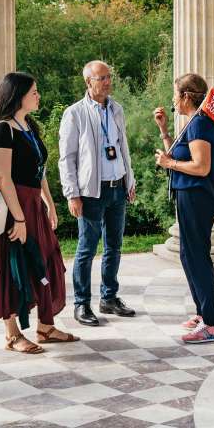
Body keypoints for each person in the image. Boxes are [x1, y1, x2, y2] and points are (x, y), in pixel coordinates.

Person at [0, 72, 78, 353]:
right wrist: (19, 218)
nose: (38, 95)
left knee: (45, 260)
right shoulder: (2, 129)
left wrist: (50, 203)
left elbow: (39, 170)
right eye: (34, 91)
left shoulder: (28, 125)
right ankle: (11, 334)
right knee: (12, 266)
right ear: (17, 94)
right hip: (12, 207)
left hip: (33, 204)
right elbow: (2, 177)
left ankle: (45, 326)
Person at [59, 61, 138, 327]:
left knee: (114, 246)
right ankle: (82, 303)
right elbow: (67, 158)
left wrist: (130, 180)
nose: (107, 82)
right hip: (91, 192)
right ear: (88, 82)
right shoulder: (75, 114)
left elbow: (122, 146)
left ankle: (109, 297)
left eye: (108, 77)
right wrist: (72, 194)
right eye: (101, 78)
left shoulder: (117, 109)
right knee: (86, 249)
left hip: (117, 187)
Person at [153, 73, 214, 344]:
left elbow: (201, 167)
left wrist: (169, 165)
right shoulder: (194, 123)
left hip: (197, 196)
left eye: (175, 96)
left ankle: (212, 324)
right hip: (189, 196)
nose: (173, 102)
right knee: (187, 255)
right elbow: (177, 154)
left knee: (196, 257)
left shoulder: (200, 125)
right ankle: (202, 312)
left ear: (185, 96)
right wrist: (163, 130)